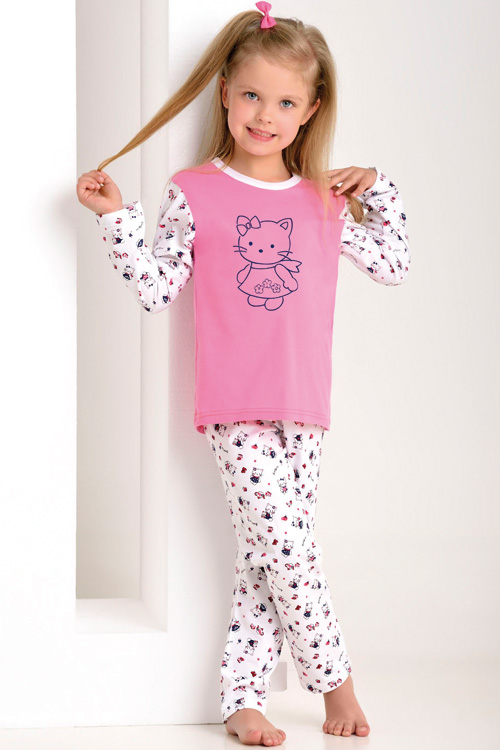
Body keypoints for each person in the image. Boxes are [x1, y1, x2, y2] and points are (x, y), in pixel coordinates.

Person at [77, 2, 410, 745]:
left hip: (306, 406)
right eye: (253, 95)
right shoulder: (195, 191)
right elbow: (157, 287)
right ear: (225, 91)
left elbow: (393, 264)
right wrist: (116, 217)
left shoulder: (325, 198)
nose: (265, 115)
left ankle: (241, 697)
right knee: (289, 550)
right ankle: (337, 683)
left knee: (269, 556)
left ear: (311, 110)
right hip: (235, 407)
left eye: (286, 102)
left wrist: (377, 188)